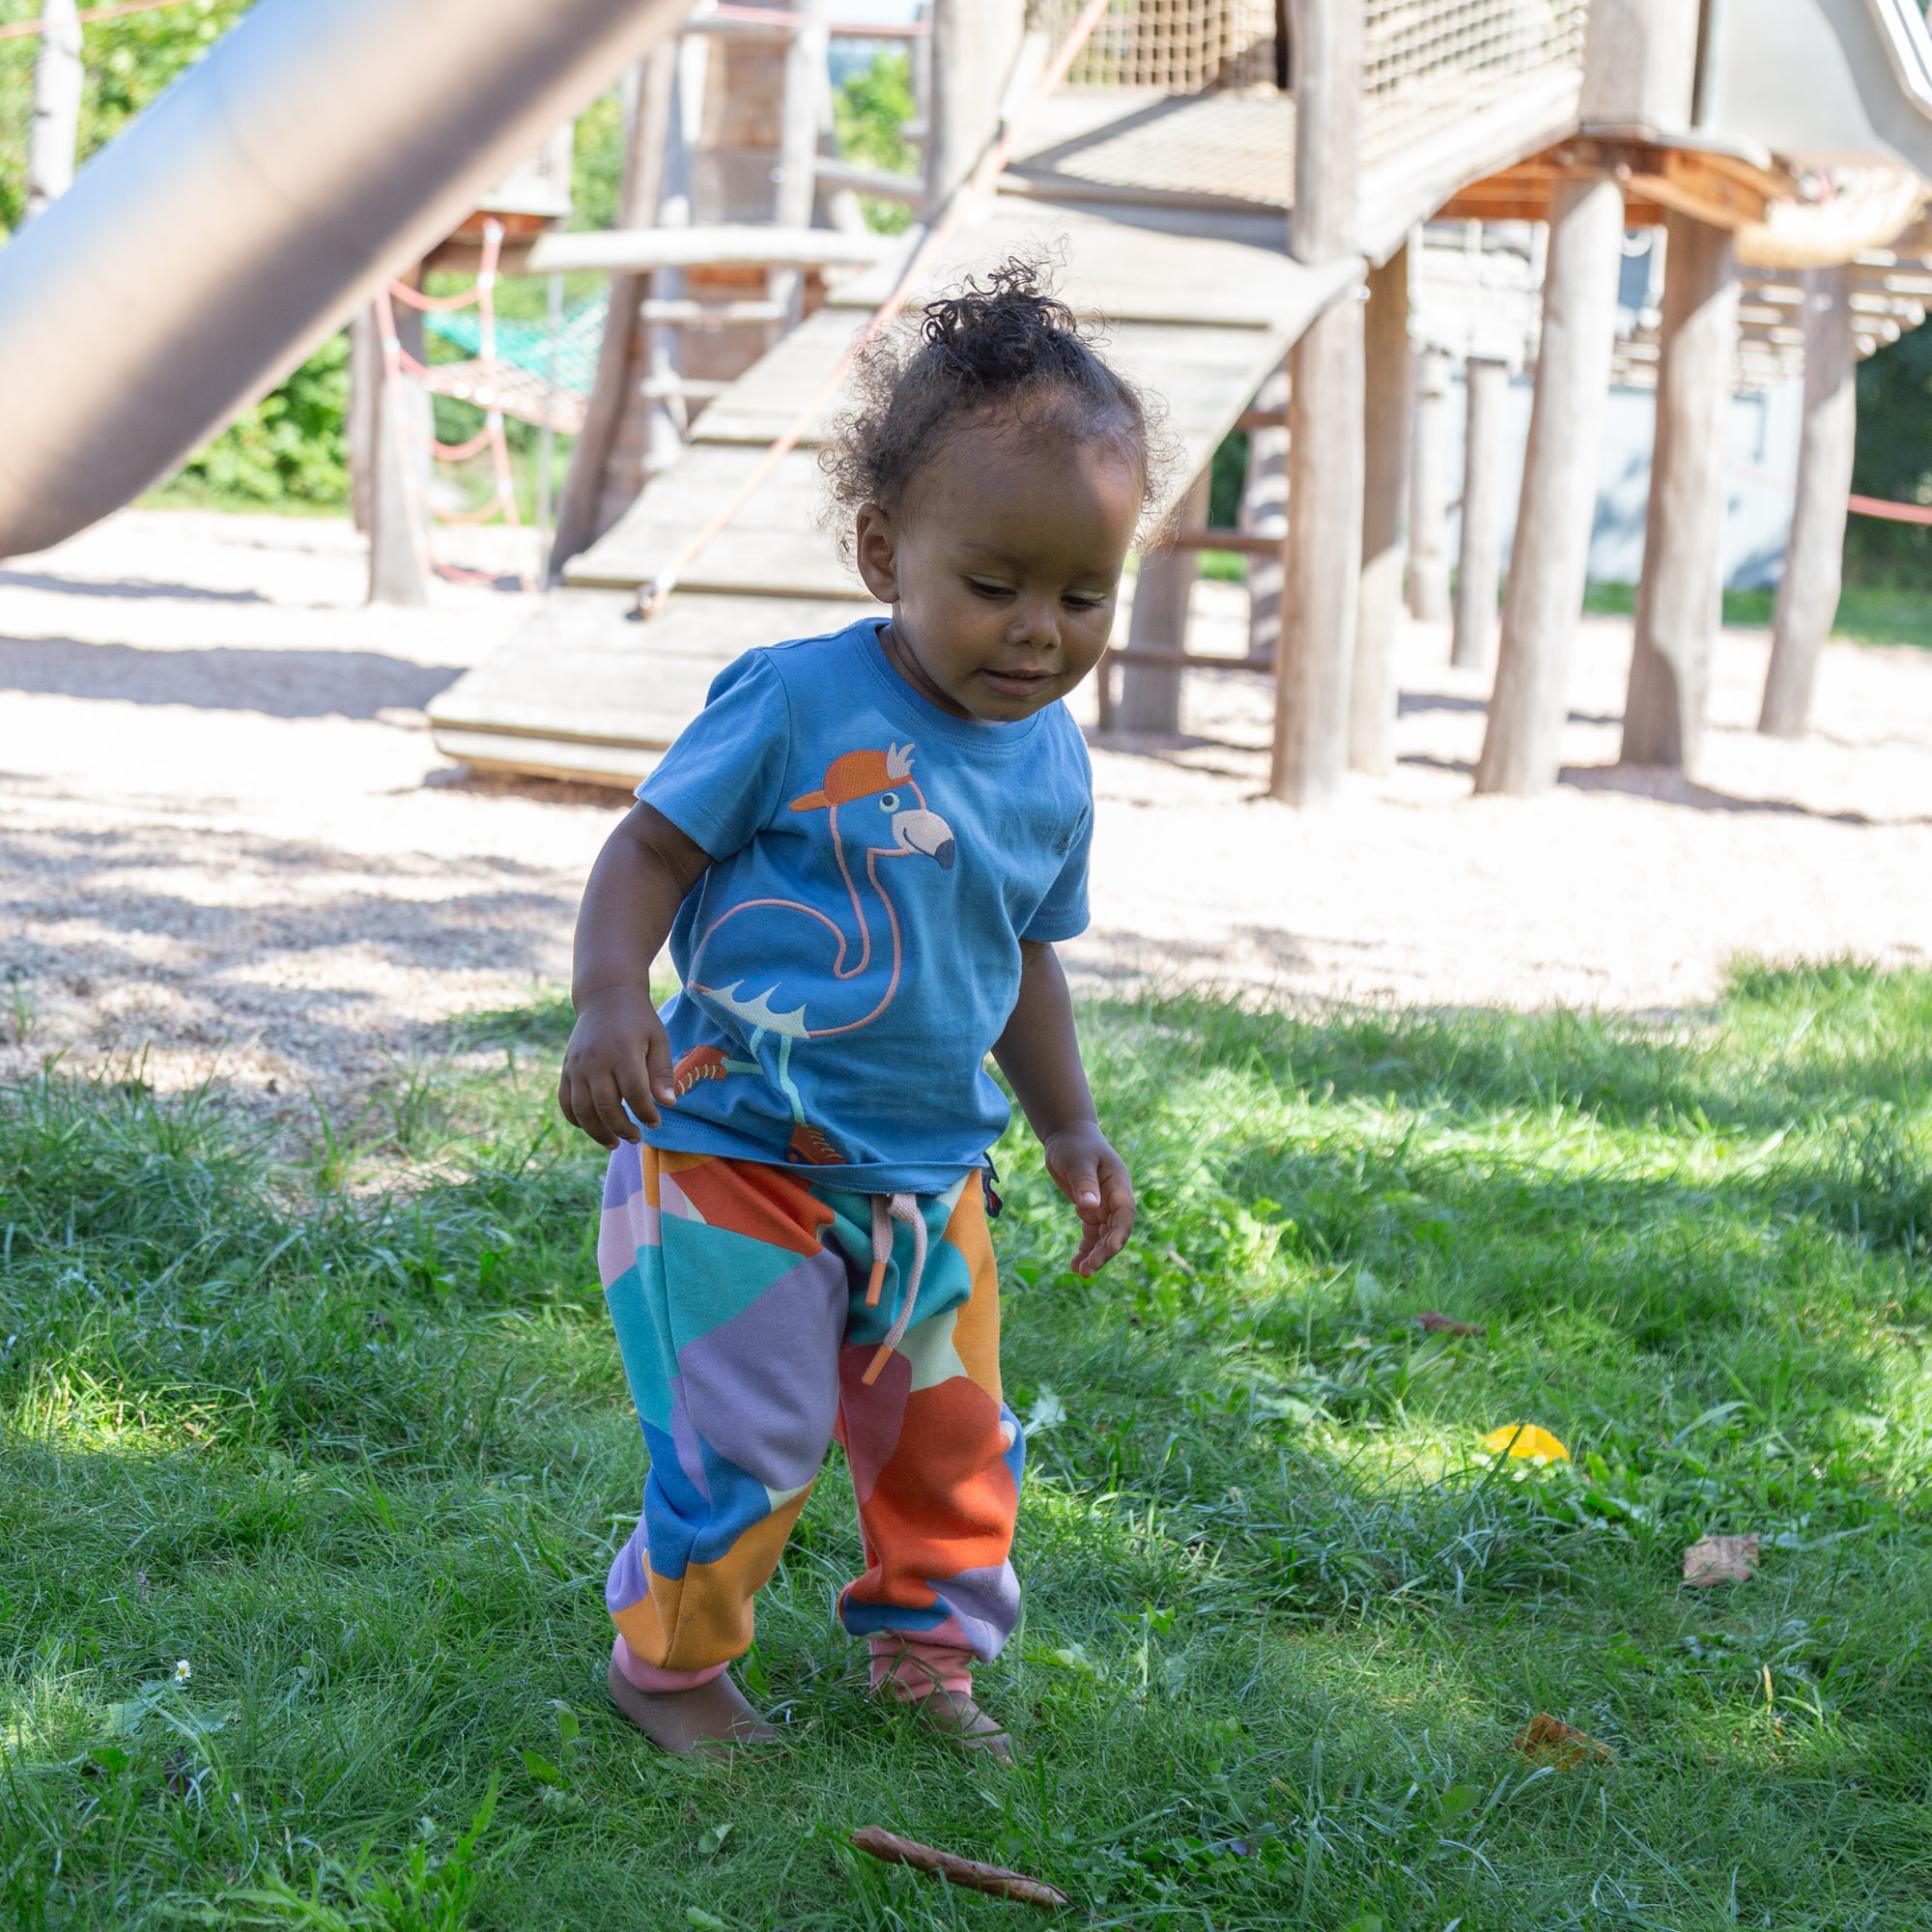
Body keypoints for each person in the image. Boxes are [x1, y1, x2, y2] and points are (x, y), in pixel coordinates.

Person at [558, 259, 1150, 1761]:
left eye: (1083, 597)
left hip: (924, 1183)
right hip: (730, 1162)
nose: (1038, 633)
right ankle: (672, 1672)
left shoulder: (1053, 761)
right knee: (742, 1444)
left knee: (954, 1452)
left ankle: (927, 1664)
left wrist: (1069, 1121)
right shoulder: (795, 701)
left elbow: (1020, 953)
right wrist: (609, 998)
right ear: (888, 552)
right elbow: (648, 849)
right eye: (995, 586)